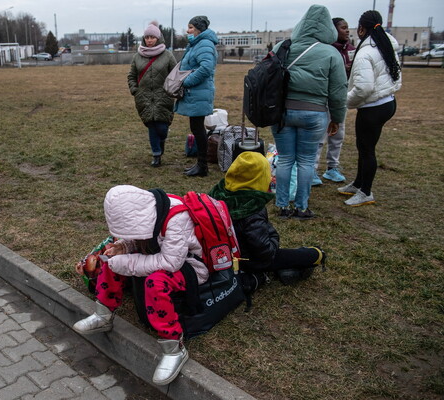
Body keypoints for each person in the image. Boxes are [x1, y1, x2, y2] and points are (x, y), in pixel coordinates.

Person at [72, 184, 207, 385]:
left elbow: (171, 263)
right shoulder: (143, 210)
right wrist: (121, 247)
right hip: (159, 258)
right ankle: (103, 314)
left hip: (189, 267)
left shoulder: (177, 217)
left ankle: (174, 348)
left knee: (155, 281)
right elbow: (138, 238)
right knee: (112, 262)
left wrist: (126, 262)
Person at [270, 5, 347, 219]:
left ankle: (282, 206)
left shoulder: (282, 47)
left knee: (285, 159)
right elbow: (339, 91)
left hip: (282, 113)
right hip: (314, 115)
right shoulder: (331, 53)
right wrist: (338, 119)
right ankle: (302, 208)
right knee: (305, 161)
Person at [208, 152, 325, 278]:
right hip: (246, 262)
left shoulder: (215, 196)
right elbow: (265, 253)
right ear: (260, 178)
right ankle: (318, 254)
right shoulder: (251, 207)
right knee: (306, 255)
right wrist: (273, 236)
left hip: (219, 256)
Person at [339, 10, 401, 207]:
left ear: (361, 28)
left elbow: (364, 87)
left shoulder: (366, 52)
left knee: (367, 149)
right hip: (387, 102)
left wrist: (345, 102)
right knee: (363, 146)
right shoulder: (386, 46)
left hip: (373, 107)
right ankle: (359, 183)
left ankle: (366, 192)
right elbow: (395, 74)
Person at [313, 17, 356, 186]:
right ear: (333, 30)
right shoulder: (325, 50)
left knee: (338, 134)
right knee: (319, 135)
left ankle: (332, 168)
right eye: (343, 28)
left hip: (341, 98)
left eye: (348, 27)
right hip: (323, 98)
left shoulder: (351, 50)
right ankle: (313, 170)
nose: (347, 30)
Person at [127, 21, 177, 168]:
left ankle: (161, 143)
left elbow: (175, 75)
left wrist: (172, 91)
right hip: (144, 97)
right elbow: (131, 75)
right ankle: (156, 154)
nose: (149, 40)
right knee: (151, 125)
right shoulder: (137, 56)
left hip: (164, 96)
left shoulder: (168, 55)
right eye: (147, 37)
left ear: (158, 38)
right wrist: (135, 90)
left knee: (162, 128)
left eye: (152, 37)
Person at [175, 16, 218, 177]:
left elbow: (206, 68)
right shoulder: (198, 44)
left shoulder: (204, 44)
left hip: (199, 92)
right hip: (196, 93)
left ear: (200, 29)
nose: (188, 30)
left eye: (191, 27)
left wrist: (186, 81)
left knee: (198, 128)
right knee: (196, 127)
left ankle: (202, 166)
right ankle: (201, 164)